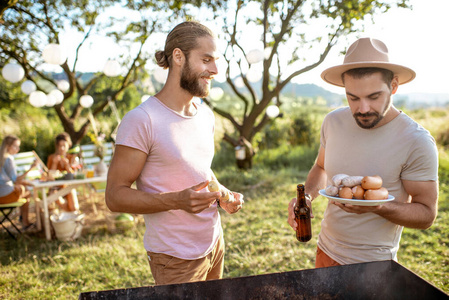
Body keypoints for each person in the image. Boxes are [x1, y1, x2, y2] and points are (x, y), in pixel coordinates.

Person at [106, 21, 244, 285]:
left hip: (214, 243)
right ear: (178, 56)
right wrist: (176, 201)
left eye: (215, 60)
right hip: (175, 258)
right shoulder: (142, 119)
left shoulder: (205, 113)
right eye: (206, 60)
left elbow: (198, 169)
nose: (215, 70)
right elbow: (114, 196)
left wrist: (222, 193)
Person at [287, 38, 439, 267]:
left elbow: (426, 214)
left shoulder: (416, 140)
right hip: (325, 250)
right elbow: (321, 167)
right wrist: (307, 196)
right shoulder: (333, 121)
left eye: (374, 97)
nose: (363, 109)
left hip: (374, 265)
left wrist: (377, 206)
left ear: (394, 86)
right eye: (353, 98)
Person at [0, 135, 38, 229]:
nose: (18, 149)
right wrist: (31, 168)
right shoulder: (8, 159)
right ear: (8, 146)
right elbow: (16, 180)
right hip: (4, 196)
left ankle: (23, 219)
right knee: (27, 192)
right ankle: (25, 221)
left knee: (23, 188)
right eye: (16, 146)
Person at [46, 132, 79, 212]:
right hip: (55, 188)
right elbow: (50, 178)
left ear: (69, 145)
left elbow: (74, 176)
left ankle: (70, 216)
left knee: (74, 207)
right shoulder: (51, 158)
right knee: (54, 194)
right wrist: (54, 163)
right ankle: (71, 217)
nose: (62, 148)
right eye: (60, 146)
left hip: (68, 187)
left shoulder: (71, 158)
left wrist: (67, 165)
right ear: (57, 146)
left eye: (64, 145)